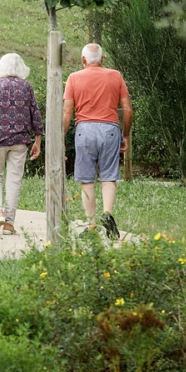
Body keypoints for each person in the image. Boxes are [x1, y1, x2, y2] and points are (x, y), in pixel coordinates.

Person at [63, 43, 132, 239]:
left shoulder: (73, 78)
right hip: (110, 129)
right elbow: (127, 109)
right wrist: (125, 134)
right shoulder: (115, 76)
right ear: (102, 59)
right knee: (108, 177)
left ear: (83, 60)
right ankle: (107, 215)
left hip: (84, 130)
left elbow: (67, 112)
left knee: (87, 180)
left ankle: (91, 226)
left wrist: (60, 138)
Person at [0, 53, 43, 235]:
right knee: (14, 180)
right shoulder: (26, 87)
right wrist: (38, 140)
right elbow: (35, 113)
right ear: (21, 68)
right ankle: (9, 223)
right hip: (20, 141)